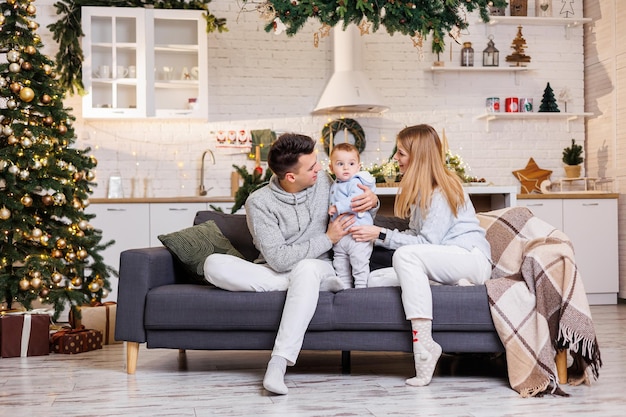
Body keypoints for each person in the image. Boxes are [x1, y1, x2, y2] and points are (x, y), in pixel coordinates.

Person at [203, 133, 379, 395]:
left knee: (306, 269)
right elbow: (278, 259)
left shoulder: (325, 183)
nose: (321, 168)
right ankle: (301, 288)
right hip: (276, 271)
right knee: (213, 264)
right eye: (312, 167)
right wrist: (328, 238)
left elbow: (354, 206)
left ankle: (279, 362)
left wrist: (373, 203)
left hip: (318, 267)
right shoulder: (260, 203)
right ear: (291, 177)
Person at [349, 124, 492, 387]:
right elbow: (417, 237)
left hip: (469, 258)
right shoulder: (420, 192)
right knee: (374, 280)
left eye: (401, 153)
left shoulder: (443, 188)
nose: (396, 159)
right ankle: (439, 283)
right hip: (445, 262)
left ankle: (424, 346)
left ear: (418, 156)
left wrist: (380, 234)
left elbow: (425, 243)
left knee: (404, 257)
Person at [328, 143, 377, 289]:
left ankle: (362, 290)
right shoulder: (335, 184)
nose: (346, 168)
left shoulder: (356, 182)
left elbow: (356, 200)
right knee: (340, 264)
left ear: (358, 166)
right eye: (340, 164)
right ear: (331, 168)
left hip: (358, 234)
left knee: (359, 264)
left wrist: (338, 207)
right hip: (341, 236)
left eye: (351, 163)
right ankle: (345, 290)